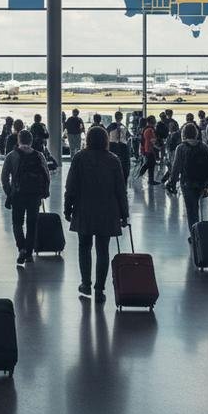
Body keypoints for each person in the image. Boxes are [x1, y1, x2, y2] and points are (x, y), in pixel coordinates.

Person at [64, 125, 128, 302]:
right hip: (107, 210)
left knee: (84, 247)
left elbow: (71, 186)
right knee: (103, 250)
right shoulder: (113, 160)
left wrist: (67, 206)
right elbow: (120, 190)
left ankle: (86, 283)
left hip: (84, 209)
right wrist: (124, 213)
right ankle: (100, 288)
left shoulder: (79, 158)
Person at [2, 129, 51, 267]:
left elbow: (4, 177)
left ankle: (21, 248)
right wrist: (44, 191)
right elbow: (46, 175)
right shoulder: (39, 155)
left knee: (17, 223)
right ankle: (29, 253)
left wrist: (9, 192)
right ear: (31, 141)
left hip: (17, 194)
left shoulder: (12, 156)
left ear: (18, 140)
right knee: (32, 223)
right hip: (34, 195)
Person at [167, 123, 208, 233]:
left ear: (183, 134)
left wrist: (172, 182)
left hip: (187, 183)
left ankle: (194, 234)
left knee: (191, 211)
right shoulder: (204, 147)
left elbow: (176, 167)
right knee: (201, 208)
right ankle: (202, 233)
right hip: (202, 183)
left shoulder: (181, 148)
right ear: (196, 133)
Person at [106, 111, 131, 184]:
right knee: (123, 164)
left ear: (115, 117)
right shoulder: (123, 126)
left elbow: (106, 135)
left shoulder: (111, 126)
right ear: (121, 117)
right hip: (122, 146)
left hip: (112, 146)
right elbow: (128, 137)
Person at [138, 116, 158, 185]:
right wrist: (157, 146)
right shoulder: (150, 129)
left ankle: (150, 179)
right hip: (150, 149)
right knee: (151, 164)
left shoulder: (145, 129)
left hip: (146, 149)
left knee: (150, 164)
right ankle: (147, 177)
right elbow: (153, 140)